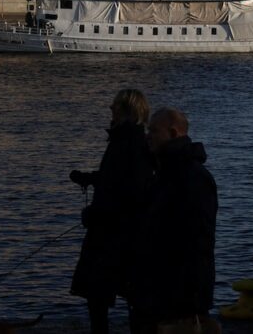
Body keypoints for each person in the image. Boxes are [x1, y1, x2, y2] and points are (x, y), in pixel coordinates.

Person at [70, 89, 155, 334]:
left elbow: (129, 188)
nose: (110, 110)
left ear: (126, 111)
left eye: (114, 107)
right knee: (117, 292)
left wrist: (96, 213)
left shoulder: (129, 142)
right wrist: (90, 178)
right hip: (116, 230)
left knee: (101, 291)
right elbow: (118, 179)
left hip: (114, 232)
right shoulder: (130, 140)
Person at [133, 107, 219, 334]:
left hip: (174, 293)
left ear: (173, 133)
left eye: (153, 130)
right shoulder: (170, 173)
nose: (147, 135)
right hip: (162, 289)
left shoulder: (188, 177)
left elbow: (194, 240)